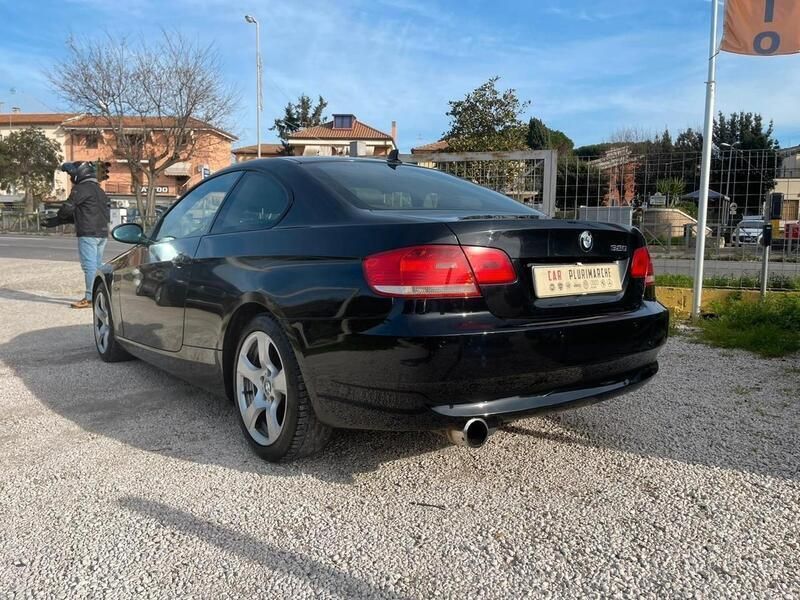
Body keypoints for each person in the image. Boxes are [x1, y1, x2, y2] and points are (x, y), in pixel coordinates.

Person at [47, 162, 110, 309]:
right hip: (102, 233)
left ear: (80, 173)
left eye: (71, 174)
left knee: (89, 267)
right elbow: (88, 211)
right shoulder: (99, 190)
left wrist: (57, 218)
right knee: (98, 266)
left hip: (88, 233)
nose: (70, 177)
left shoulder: (80, 189)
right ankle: (101, 296)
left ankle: (89, 298)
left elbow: (67, 209)